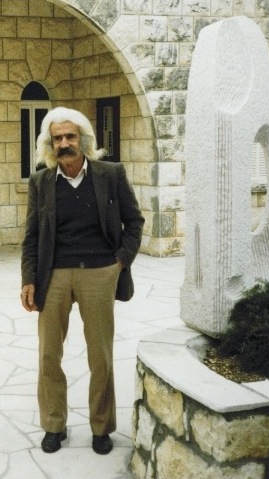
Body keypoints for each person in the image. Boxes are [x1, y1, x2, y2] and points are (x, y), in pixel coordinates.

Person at [20, 107, 144, 455]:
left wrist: (120, 261)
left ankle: (102, 428)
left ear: (84, 140)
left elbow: (134, 222)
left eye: (70, 137)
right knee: (48, 355)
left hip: (100, 272)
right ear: (50, 145)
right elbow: (31, 235)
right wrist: (29, 279)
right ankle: (54, 425)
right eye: (57, 138)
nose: (64, 143)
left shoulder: (111, 174)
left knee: (100, 356)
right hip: (53, 274)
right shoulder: (41, 182)